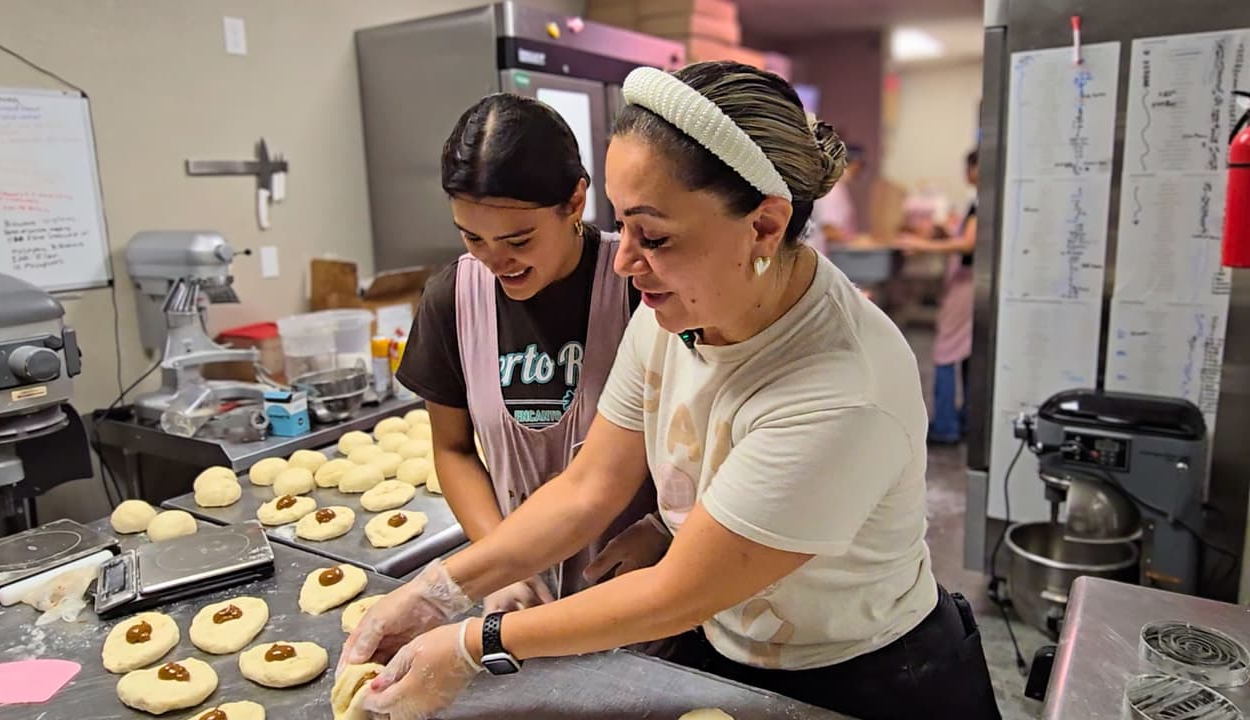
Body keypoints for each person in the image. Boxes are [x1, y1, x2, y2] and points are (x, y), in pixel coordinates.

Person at [343, 63, 1001, 720]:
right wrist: (438, 591)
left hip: (867, 679)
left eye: (653, 235)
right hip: (729, 651)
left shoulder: (838, 390)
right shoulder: (679, 312)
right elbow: (586, 489)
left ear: (765, 228)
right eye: (622, 225)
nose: (625, 261)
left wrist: (470, 643)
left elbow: (675, 593)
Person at [395, 93, 665, 614]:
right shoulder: (453, 299)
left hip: (639, 589)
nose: (497, 261)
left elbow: (703, 441)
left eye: (518, 239)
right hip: (520, 598)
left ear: (575, 202)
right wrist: (498, 564)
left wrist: (664, 529)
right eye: (473, 238)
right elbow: (453, 450)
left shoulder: (640, 286)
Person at [897, 149, 979, 444]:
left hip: (968, 285)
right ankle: (967, 418)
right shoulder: (979, 202)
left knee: (946, 352)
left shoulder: (982, 203)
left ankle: (946, 425)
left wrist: (922, 245)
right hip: (968, 283)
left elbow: (969, 245)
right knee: (968, 353)